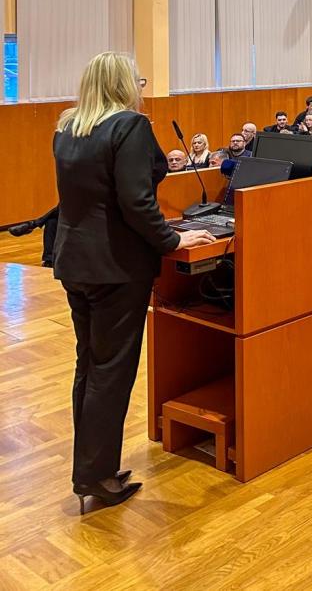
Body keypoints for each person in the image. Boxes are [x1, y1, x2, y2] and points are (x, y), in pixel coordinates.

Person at [52, 52, 215, 513]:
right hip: (116, 268)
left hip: (76, 263)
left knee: (89, 366)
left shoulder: (68, 127)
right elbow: (138, 202)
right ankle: (97, 475)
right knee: (112, 372)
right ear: (125, 84)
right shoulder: (129, 126)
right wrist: (173, 238)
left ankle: (90, 468)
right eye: (138, 80)